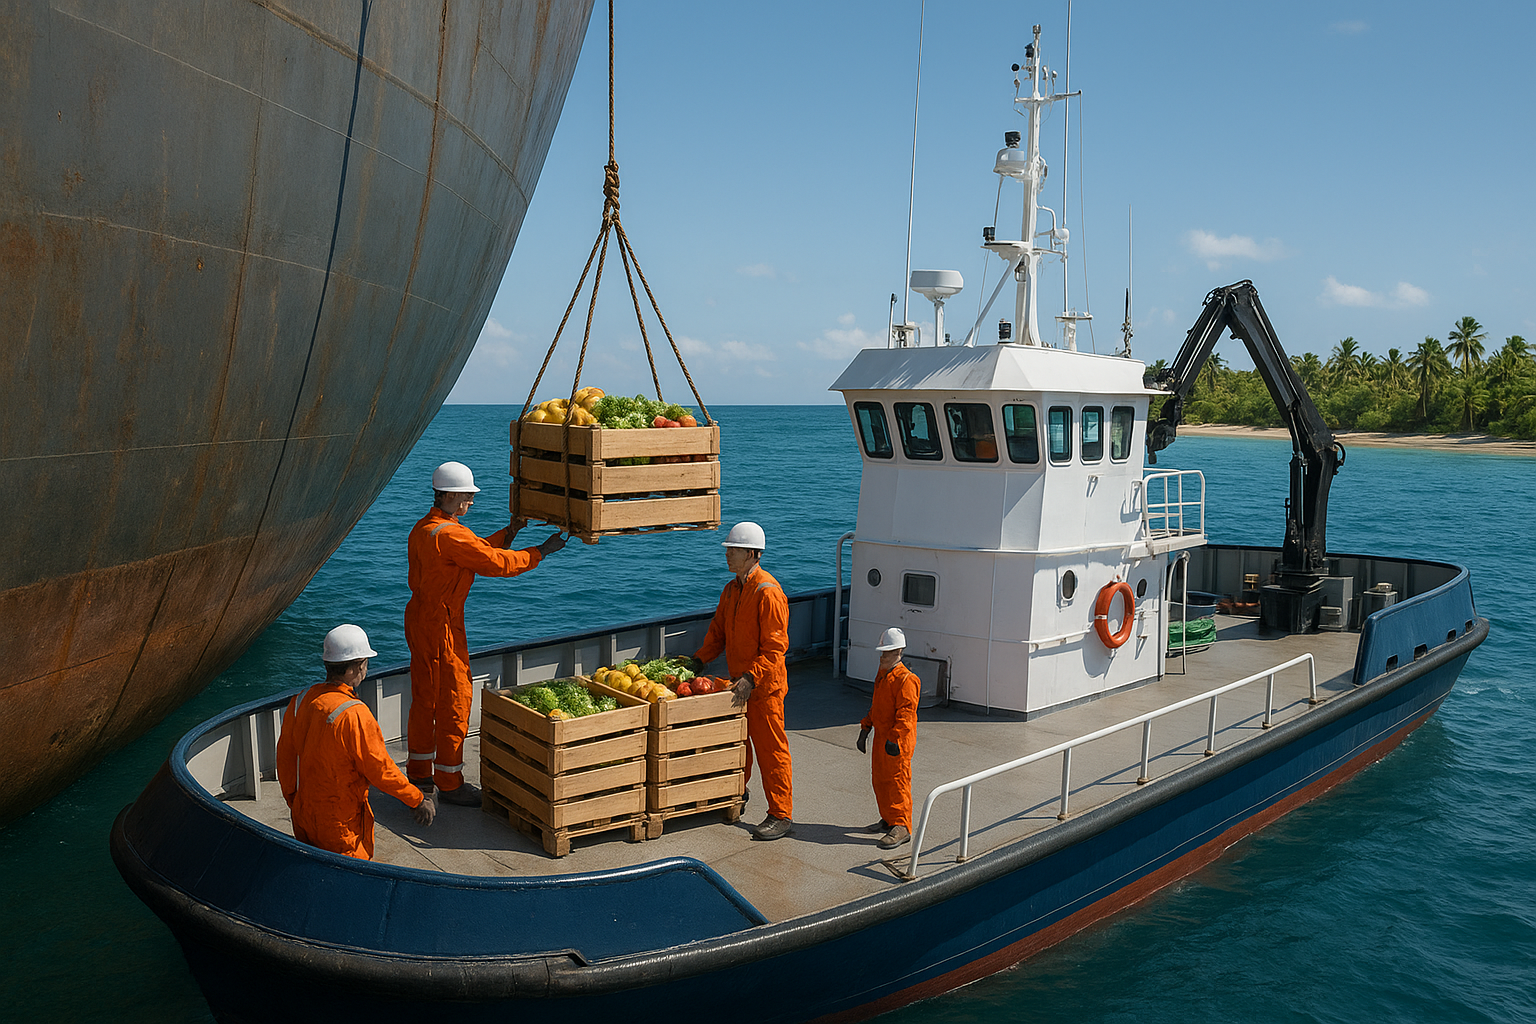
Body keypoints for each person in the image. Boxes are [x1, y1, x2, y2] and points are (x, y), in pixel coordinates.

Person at [405, 460, 566, 807]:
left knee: (424, 696)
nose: (471, 502)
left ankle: (418, 771)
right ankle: (449, 782)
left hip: (419, 619)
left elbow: (476, 548)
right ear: (449, 495)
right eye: (467, 496)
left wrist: (510, 532)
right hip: (442, 625)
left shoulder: (426, 529)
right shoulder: (450, 535)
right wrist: (541, 552)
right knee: (454, 699)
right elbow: (496, 563)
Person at [276, 624, 435, 860]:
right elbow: (381, 771)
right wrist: (417, 799)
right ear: (357, 667)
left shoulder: (300, 701)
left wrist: (294, 801)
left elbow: (285, 759)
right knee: (349, 877)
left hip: (303, 814)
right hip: (340, 825)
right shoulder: (354, 715)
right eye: (365, 664)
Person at [693, 521, 794, 840]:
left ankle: (781, 814)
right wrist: (699, 659)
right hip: (740, 684)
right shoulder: (732, 589)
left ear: (752, 553)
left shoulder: (768, 592)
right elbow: (718, 633)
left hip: (764, 689)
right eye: (728, 550)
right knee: (740, 748)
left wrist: (752, 677)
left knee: (771, 751)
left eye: (734, 550)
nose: (728, 555)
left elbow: (776, 647)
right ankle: (739, 794)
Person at [857, 627, 920, 850]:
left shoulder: (906, 680)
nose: (882, 656)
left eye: (887, 652)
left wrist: (894, 739)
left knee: (897, 782)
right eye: (882, 652)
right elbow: (878, 706)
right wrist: (866, 727)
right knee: (881, 780)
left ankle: (902, 825)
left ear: (898, 652)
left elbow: (906, 715)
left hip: (896, 743)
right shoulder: (883, 676)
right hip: (882, 739)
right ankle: (889, 818)